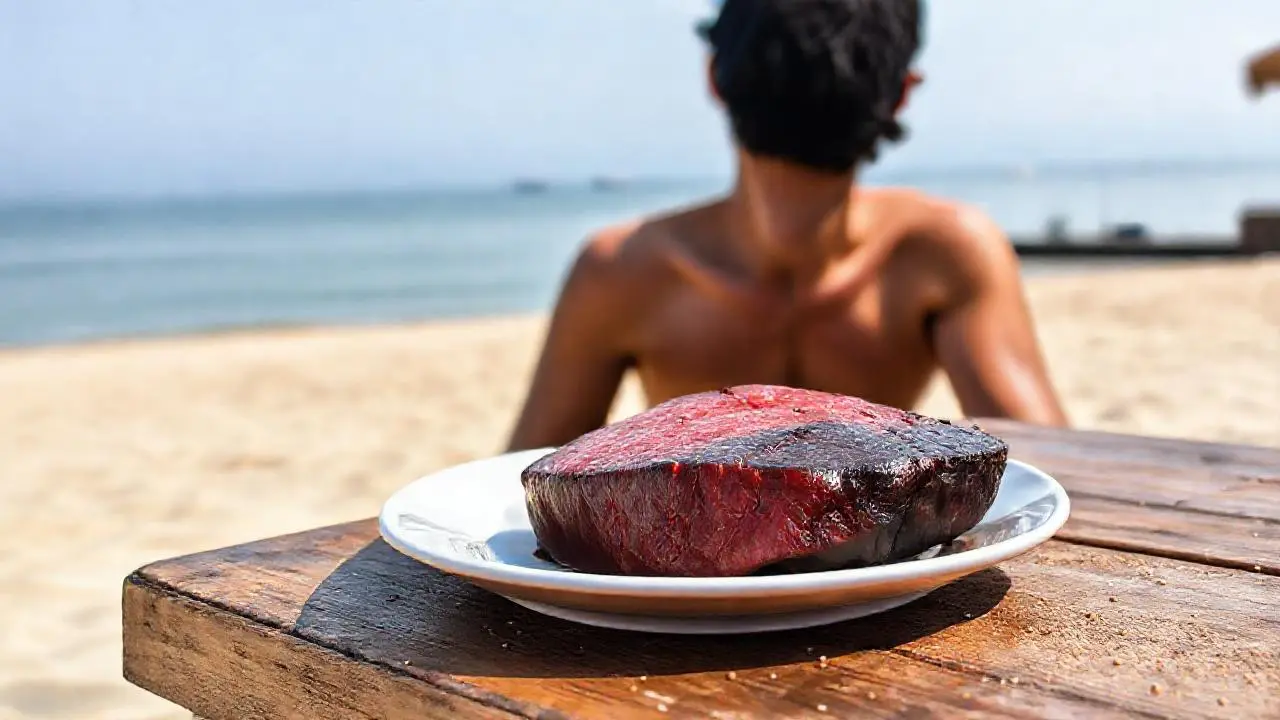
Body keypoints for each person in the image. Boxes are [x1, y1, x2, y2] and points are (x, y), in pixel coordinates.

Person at [508, 0, 1067, 451]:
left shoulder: (621, 270)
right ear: (899, 94)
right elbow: (1058, 469)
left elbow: (520, 488)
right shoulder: (941, 253)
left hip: (692, 582)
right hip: (880, 562)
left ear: (715, 78)